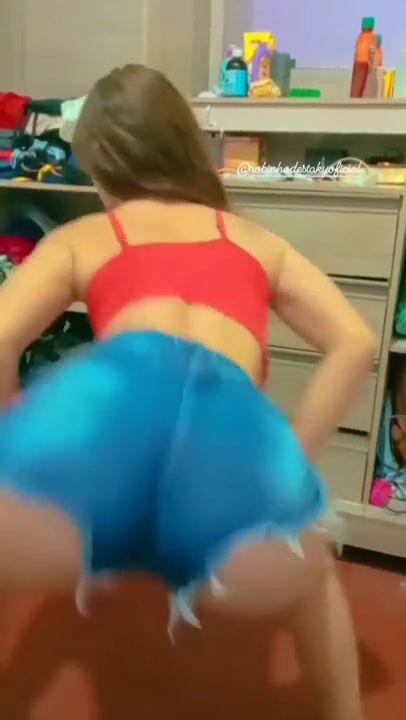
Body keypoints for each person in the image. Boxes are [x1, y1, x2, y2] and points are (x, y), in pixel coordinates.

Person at [0, 64, 374, 719]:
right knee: (312, 578)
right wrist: (293, 454)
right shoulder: (255, 241)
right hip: (226, 428)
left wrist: (16, 444)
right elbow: (356, 343)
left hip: (114, 412)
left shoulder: (87, 236)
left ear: (103, 162)